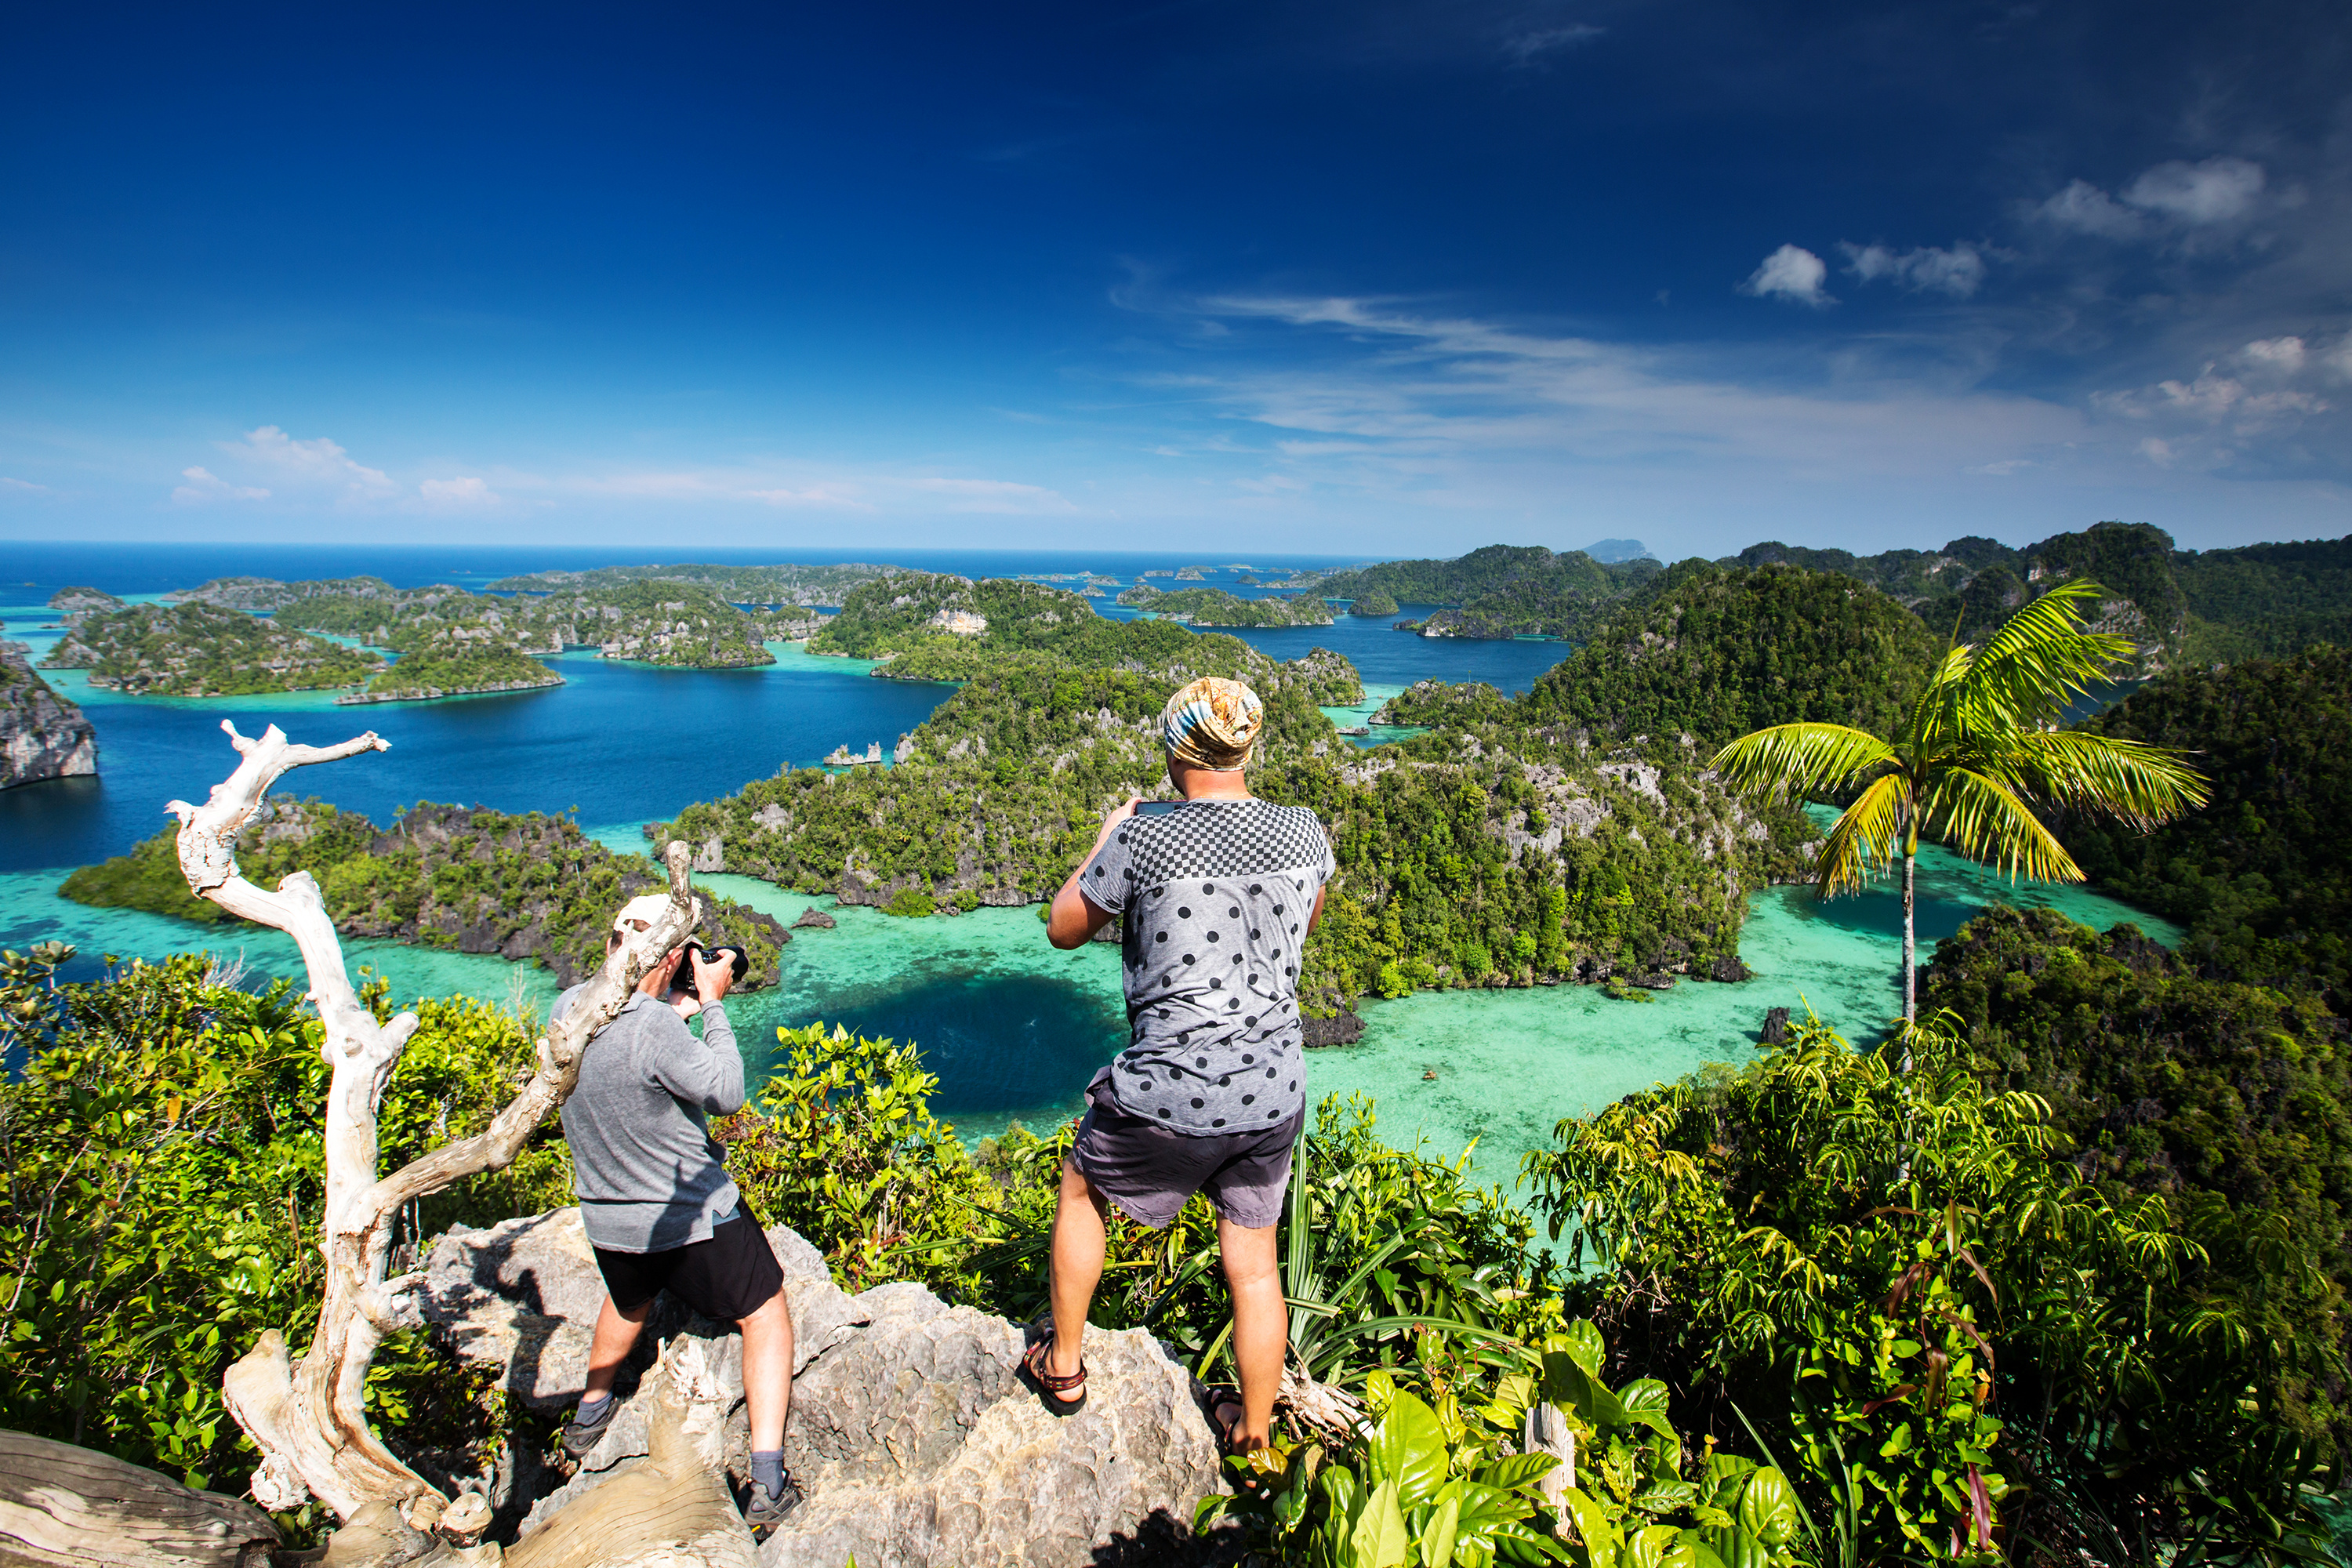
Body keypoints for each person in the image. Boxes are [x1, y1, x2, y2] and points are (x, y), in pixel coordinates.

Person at [1036, 676, 1334, 1455]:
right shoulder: (1305, 831)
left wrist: (1105, 840)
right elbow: (1303, 923)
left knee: (1082, 1184)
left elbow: (1064, 927)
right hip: (1272, 1088)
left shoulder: (1144, 839)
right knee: (1255, 1261)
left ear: (1178, 749)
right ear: (1245, 746)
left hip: (1170, 1087)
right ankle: (1256, 1434)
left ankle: (1064, 1365)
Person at [552, 895, 800, 1534]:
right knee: (766, 1312)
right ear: (669, 958)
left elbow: (631, 1058)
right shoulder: (655, 1029)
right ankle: (768, 1478)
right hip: (689, 1221)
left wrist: (673, 1010)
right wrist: (712, 1002)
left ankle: (590, 1412)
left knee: (631, 1300)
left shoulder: (568, 1008)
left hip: (609, 1222)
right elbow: (726, 1092)